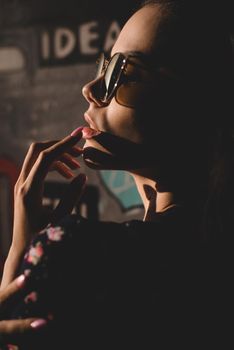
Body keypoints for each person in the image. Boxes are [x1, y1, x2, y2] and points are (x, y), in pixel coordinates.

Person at [0, 0, 233, 348]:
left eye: (123, 74)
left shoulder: (81, 263)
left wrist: (26, 247)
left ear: (191, 106)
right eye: (105, 66)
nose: (90, 90)